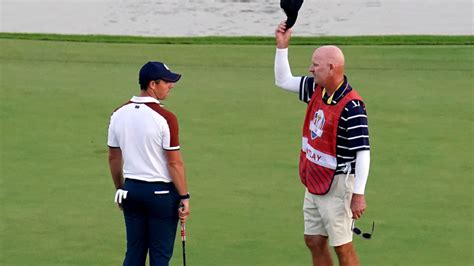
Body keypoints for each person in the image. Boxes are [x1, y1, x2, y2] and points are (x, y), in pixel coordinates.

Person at [274, 22, 371, 266]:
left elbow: (363, 153)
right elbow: (283, 80)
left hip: (338, 185)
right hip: (315, 180)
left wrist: (358, 194)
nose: (310, 69)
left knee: (343, 247)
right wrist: (282, 47)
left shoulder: (352, 106)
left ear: (331, 67)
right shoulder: (316, 89)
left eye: (315, 65)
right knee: (314, 240)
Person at [107, 61, 190, 266]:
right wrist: (184, 196)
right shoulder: (166, 118)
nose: (171, 86)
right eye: (167, 82)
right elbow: (174, 163)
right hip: (161, 196)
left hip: (131, 192)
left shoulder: (118, 113)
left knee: (134, 253)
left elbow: (114, 158)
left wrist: (121, 189)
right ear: (153, 84)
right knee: (160, 257)